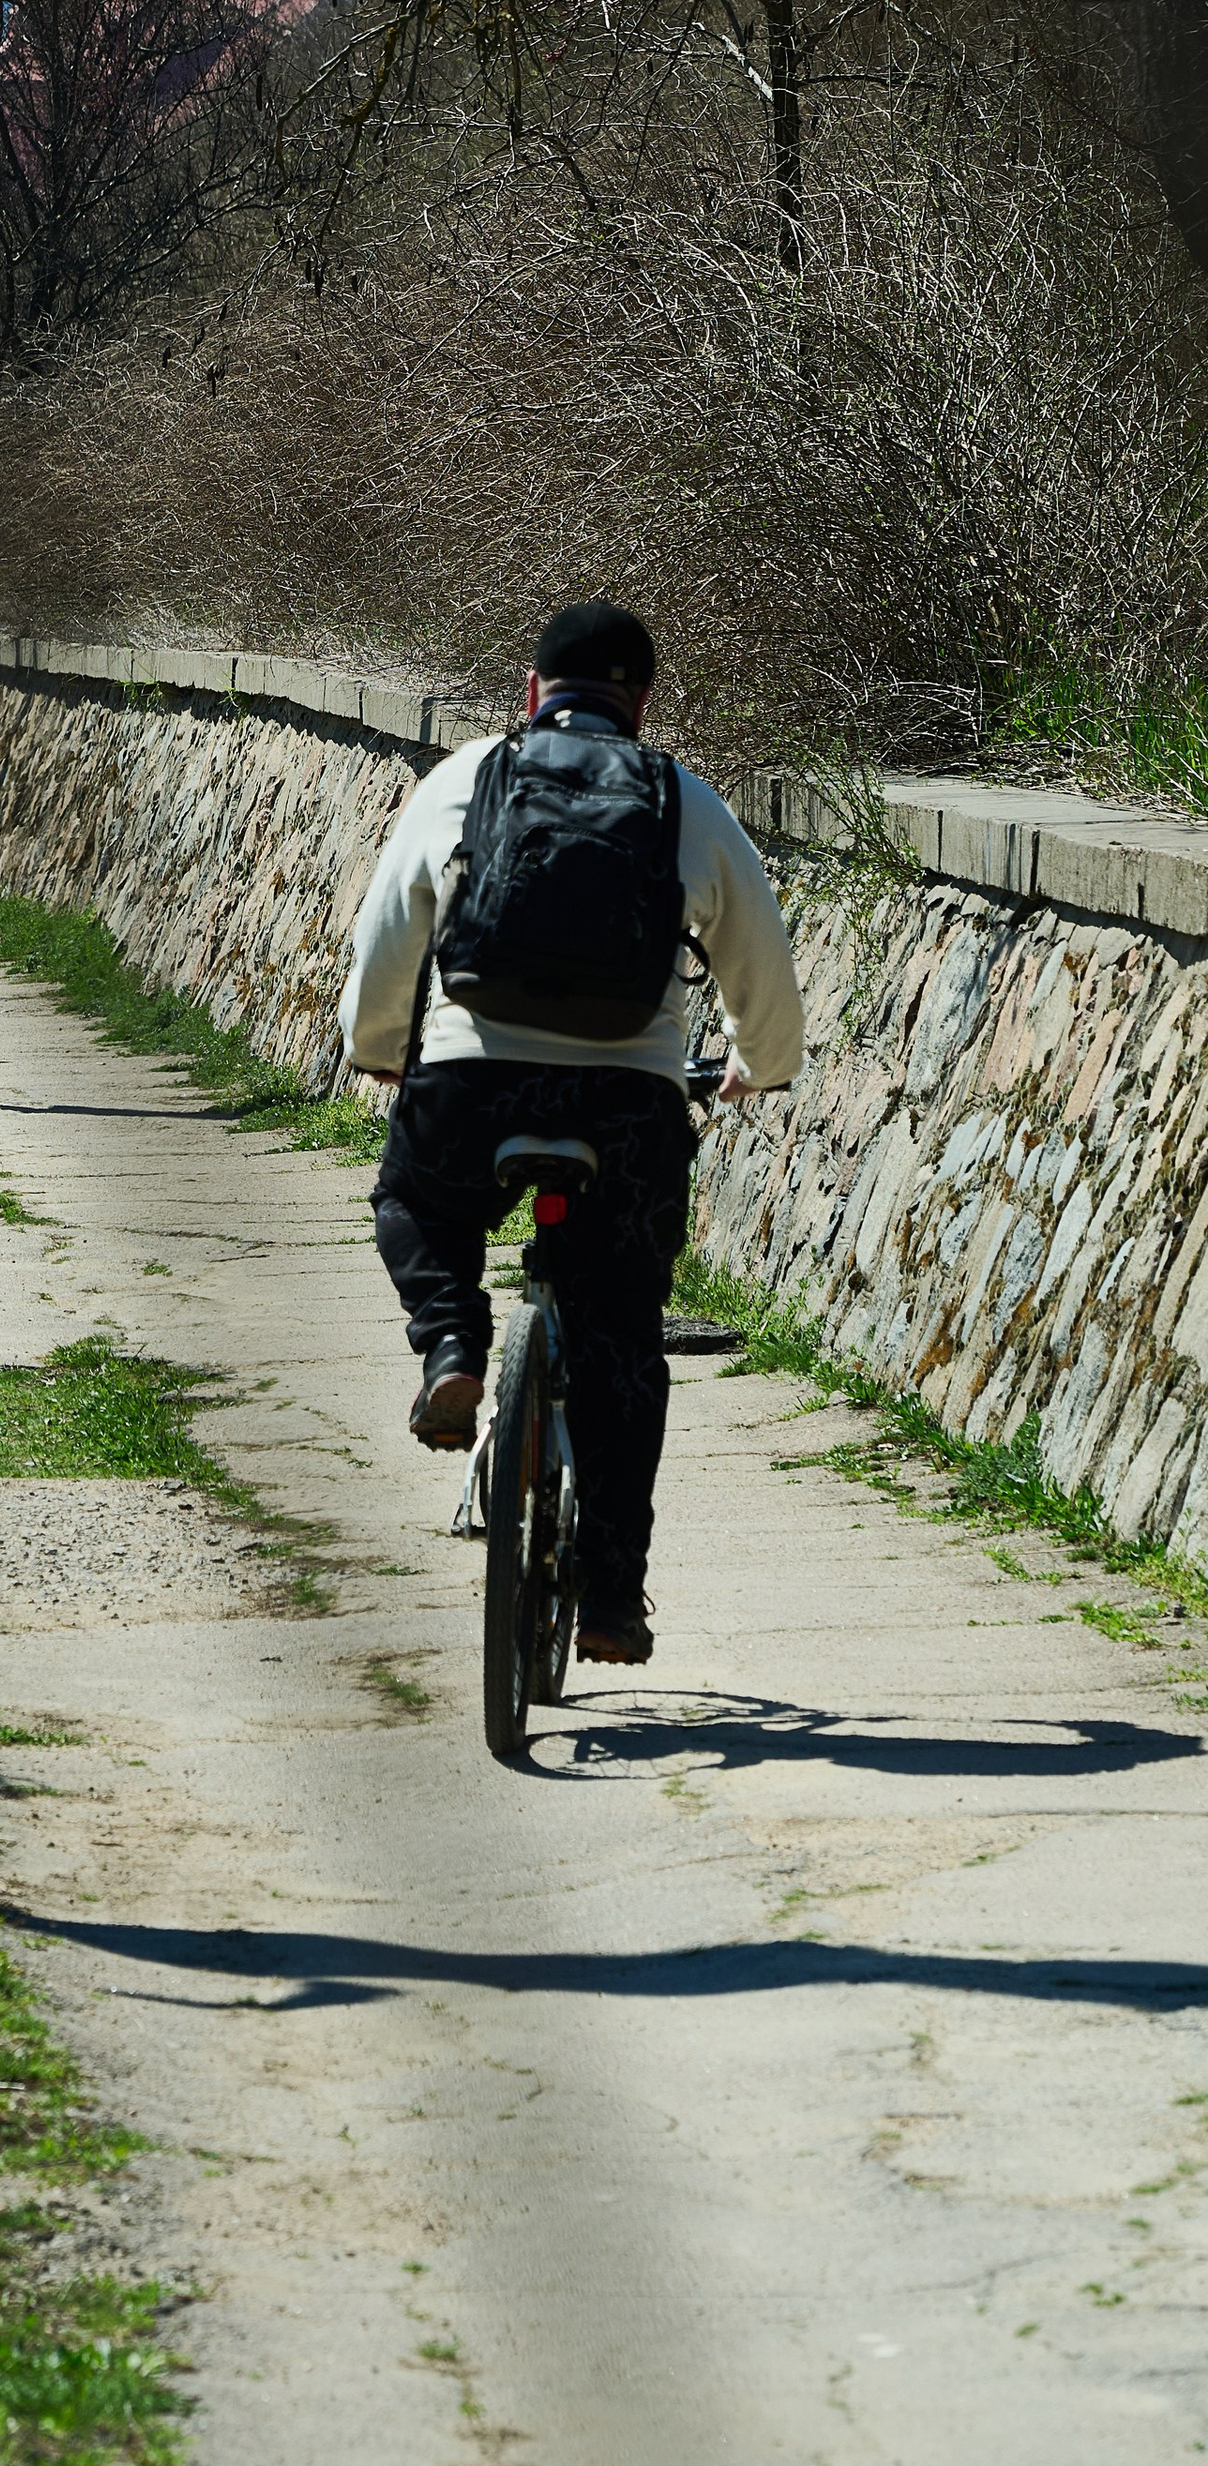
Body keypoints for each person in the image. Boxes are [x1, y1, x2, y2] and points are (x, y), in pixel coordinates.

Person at [337, 599, 804, 1666]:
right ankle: (609, 1600)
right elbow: (760, 969)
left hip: (473, 1079)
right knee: (621, 1335)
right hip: (628, 1102)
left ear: (531, 689)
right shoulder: (684, 801)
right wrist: (755, 1067)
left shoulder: (465, 777)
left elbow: (388, 929)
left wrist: (378, 1047)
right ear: (641, 700)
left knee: (415, 1199)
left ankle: (453, 1344)